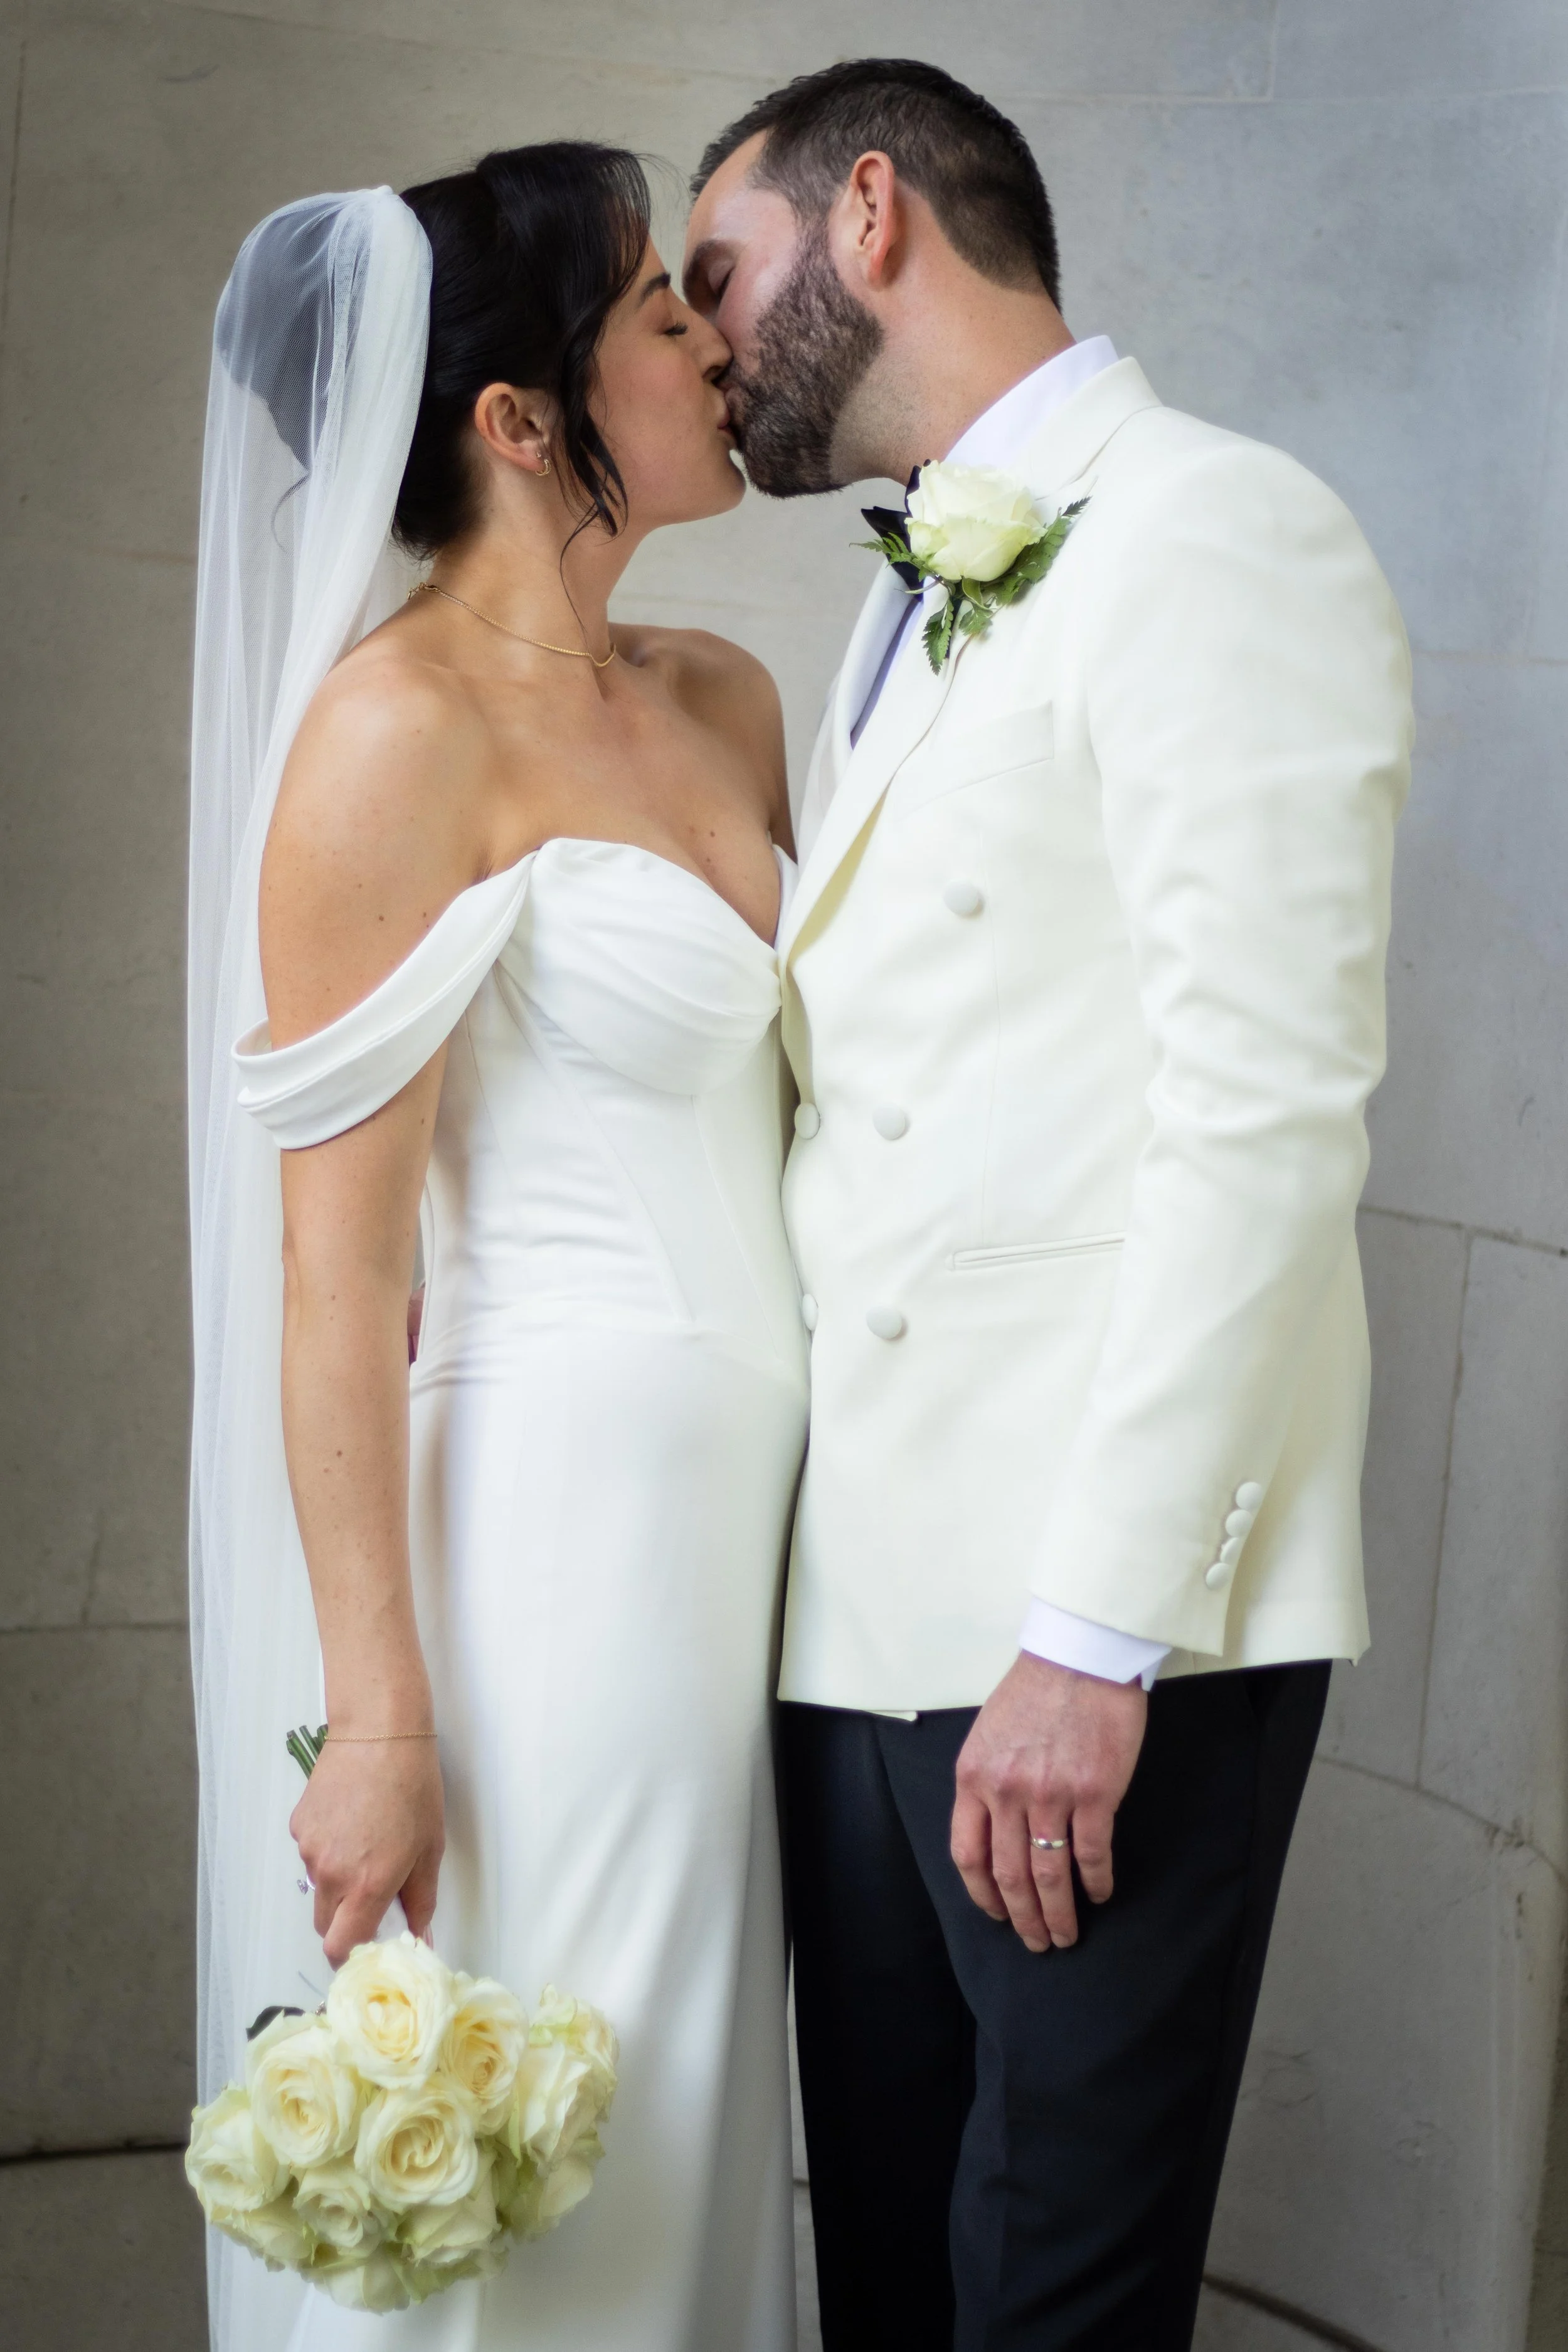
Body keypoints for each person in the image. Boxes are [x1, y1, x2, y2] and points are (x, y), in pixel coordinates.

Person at [684, 56, 1412, 2351]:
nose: (704, 341)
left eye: (721, 275)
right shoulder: (896, 599)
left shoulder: (1216, 525)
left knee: (1052, 2302)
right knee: (898, 2276)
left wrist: (1091, 1636)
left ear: (867, 212)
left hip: (1087, 1639)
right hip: (860, 1629)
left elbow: (1266, 1107)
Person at [187, 147, 807, 2352]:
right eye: (656, 310)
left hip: (752, 1542)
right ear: (516, 421)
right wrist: (375, 1717)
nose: (715, 344)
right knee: (565, 2122)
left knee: (703, 2084)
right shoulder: (391, 734)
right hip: (545, 1541)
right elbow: (338, 1275)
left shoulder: (724, 694)